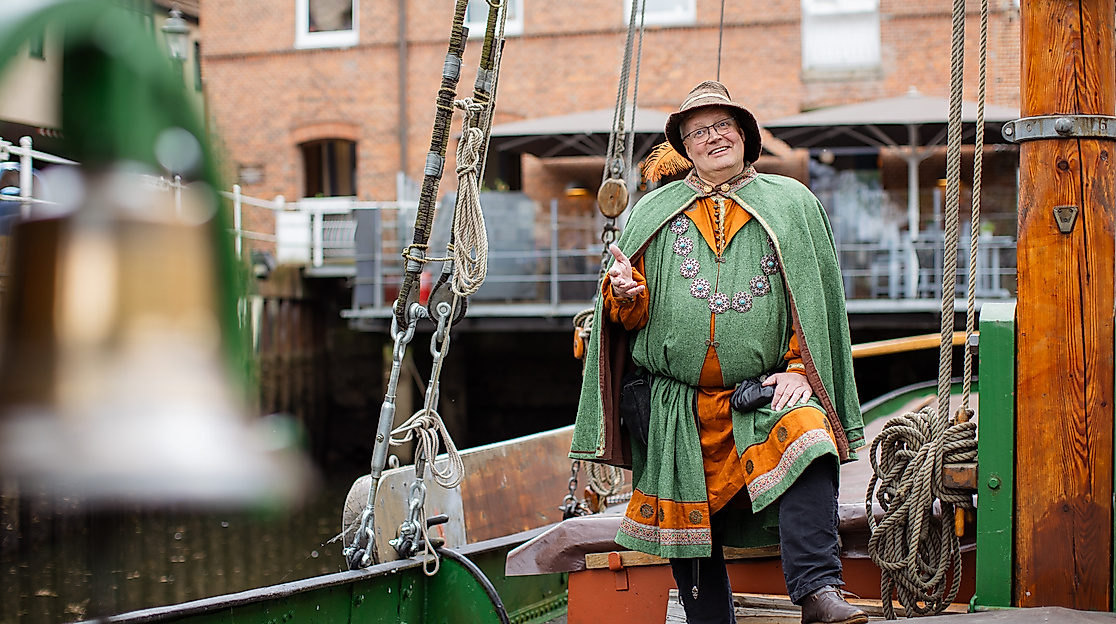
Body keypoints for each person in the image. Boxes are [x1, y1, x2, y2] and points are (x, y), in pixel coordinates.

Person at [570, 81, 867, 624]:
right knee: (687, 508)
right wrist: (624, 295)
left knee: (811, 438)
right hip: (676, 402)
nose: (713, 138)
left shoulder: (792, 202)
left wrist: (802, 367)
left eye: (722, 126)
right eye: (698, 132)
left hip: (761, 396)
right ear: (685, 146)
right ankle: (711, 619)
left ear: (744, 135)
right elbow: (628, 322)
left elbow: (817, 299)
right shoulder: (653, 210)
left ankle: (818, 593)